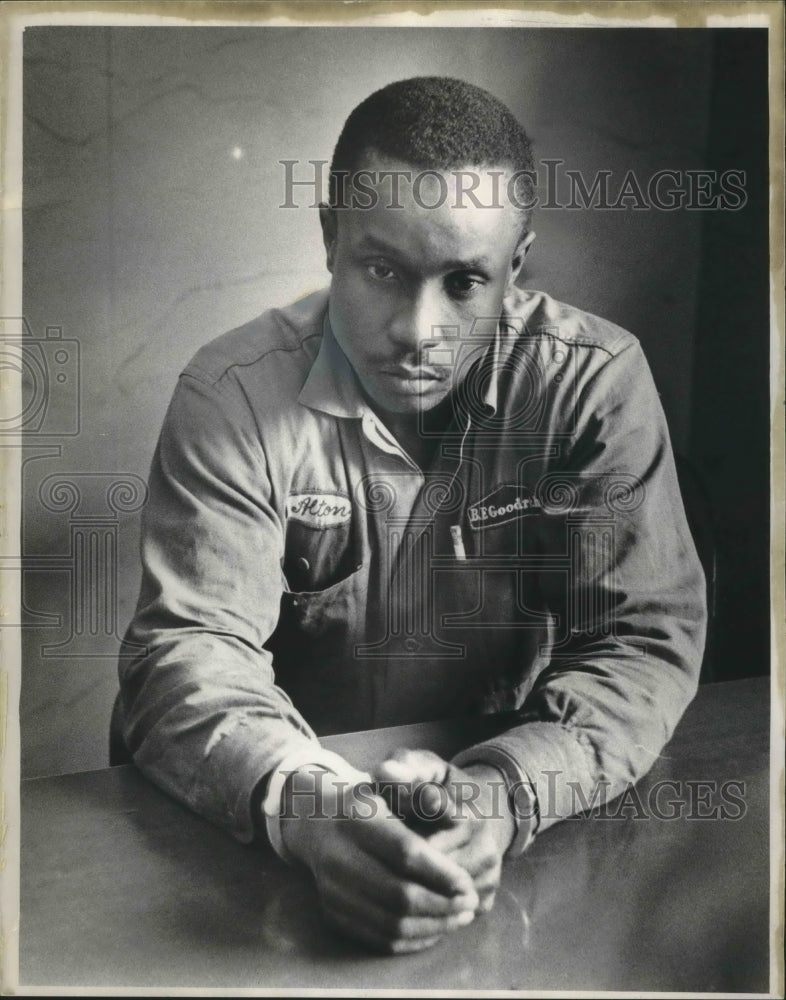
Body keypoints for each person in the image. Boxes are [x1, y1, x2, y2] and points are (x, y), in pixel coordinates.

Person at [114, 77, 706, 954]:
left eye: (465, 281)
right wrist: (314, 809)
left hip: (496, 837)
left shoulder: (596, 386)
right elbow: (186, 652)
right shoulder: (230, 393)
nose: (417, 330)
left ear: (519, 266)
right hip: (257, 834)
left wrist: (506, 790)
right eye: (383, 270)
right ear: (328, 237)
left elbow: (639, 641)